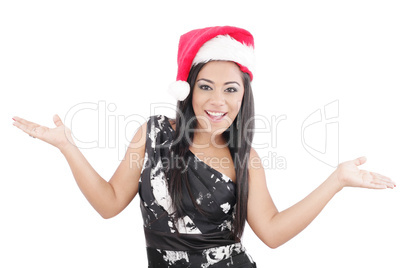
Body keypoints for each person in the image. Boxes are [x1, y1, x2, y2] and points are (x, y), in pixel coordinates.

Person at [12, 26, 395, 268]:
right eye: (206, 86)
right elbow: (109, 203)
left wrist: (337, 180)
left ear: (244, 96)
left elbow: (273, 233)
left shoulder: (246, 160)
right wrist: (67, 147)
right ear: (189, 90)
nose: (218, 100)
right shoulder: (154, 134)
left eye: (231, 89)